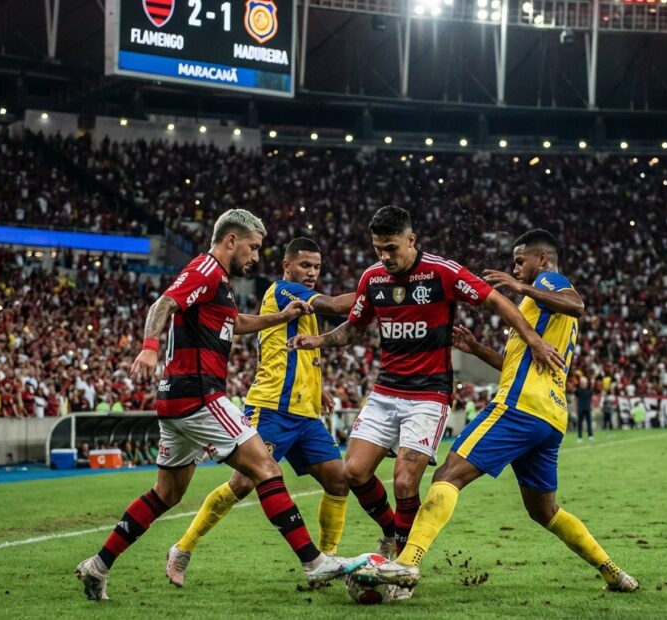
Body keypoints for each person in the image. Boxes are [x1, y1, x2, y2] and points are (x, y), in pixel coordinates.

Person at [75, 210, 364, 601]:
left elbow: (235, 322)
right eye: (253, 247)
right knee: (265, 468)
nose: (256, 257)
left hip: (175, 400)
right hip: (199, 395)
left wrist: (279, 317)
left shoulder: (219, 284)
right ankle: (314, 562)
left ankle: (98, 565)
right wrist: (148, 348)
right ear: (231, 240)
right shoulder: (207, 270)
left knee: (166, 494)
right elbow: (163, 304)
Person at [353, 229, 638, 595]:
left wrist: (522, 288)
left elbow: (576, 303)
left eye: (521, 261)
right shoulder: (541, 314)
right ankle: (614, 573)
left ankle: (407, 562)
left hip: (519, 408)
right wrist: (476, 349)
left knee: (448, 475)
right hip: (550, 417)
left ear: (542, 260)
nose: (515, 268)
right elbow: (514, 364)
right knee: (544, 512)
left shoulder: (549, 283)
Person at [290, 208, 564, 566]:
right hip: (386, 390)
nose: (384, 257)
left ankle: (404, 565)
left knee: (404, 483)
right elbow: (353, 329)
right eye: (378, 249)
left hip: (428, 395)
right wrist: (319, 341)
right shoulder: (372, 279)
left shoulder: (441, 272)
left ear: (411, 240)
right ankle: (392, 534)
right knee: (353, 472)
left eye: (391, 248)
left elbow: (496, 300)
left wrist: (532, 339)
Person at [165, 237, 356, 587]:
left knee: (338, 480)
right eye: (305, 265)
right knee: (243, 483)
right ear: (287, 266)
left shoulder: (299, 301)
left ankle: (326, 560)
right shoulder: (285, 291)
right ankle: (182, 547)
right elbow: (335, 304)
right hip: (271, 408)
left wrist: (318, 386)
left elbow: (294, 351)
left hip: (305, 412)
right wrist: (382, 291)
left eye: (316, 266)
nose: (312, 273)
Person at [574, 377, 594, 442]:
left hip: (587, 408)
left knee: (589, 423)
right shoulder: (578, 390)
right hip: (580, 409)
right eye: (582, 382)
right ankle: (579, 437)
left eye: (584, 382)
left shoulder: (589, 390)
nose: (583, 384)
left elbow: (591, 398)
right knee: (579, 423)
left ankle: (590, 436)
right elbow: (575, 398)